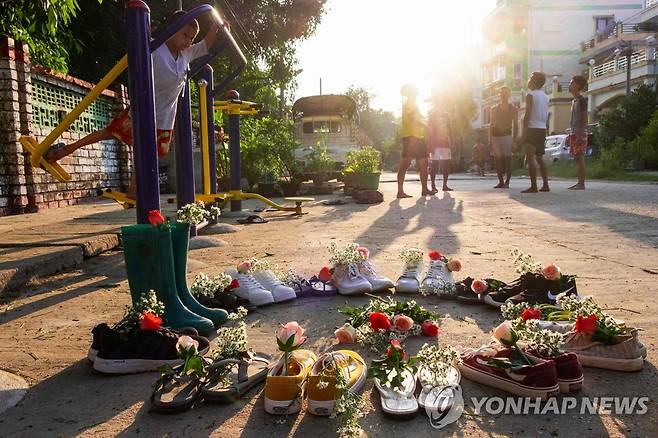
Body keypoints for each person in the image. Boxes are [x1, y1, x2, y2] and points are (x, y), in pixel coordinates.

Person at [45, 11, 220, 199]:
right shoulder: (154, 47)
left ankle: (133, 194)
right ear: (172, 30)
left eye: (191, 37)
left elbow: (204, 46)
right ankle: (64, 150)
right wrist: (144, 30)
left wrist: (217, 26)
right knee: (110, 134)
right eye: (185, 35)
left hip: (164, 118)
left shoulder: (186, 55)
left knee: (148, 155)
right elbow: (136, 47)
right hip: (144, 111)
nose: (188, 41)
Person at [397, 83, 432, 198]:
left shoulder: (412, 103)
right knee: (406, 163)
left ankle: (425, 189)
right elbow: (412, 119)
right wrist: (425, 126)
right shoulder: (409, 103)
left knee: (424, 162)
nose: (417, 89)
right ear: (410, 91)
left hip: (418, 137)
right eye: (414, 88)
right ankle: (400, 191)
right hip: (411, 137)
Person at [521, 71, 550, 193]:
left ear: (534, 81)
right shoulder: (545, 96)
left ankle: (533, 186)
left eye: (530, 78)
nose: (529, 80)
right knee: (539, 158)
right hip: (542, 128)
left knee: (530, 158)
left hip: (532, 128)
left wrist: (523, 131)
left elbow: (527, 114)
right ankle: (545, 185)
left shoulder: (530, 95)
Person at [489, 86, 518, 188]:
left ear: (509, 95)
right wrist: (490, 140)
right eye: (501, 93)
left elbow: (516, 125)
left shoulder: (513, 109)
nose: (503, 95)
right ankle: (500, 181)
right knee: (497, 160)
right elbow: (491, 125)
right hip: (495, 136)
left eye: (505, 93)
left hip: (507, 135)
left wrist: (514, 140)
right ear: (499, 95)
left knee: (508, 159)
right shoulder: (494, 109)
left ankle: (507, 182)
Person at [567, 75, 588, 190]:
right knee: (576, 158)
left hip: (580, 132)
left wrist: (580, 134)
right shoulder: (574, 100)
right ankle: (579, 182)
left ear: (578, 86)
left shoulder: (582, 100)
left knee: (579, 158)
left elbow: (585, 118)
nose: (570, 85)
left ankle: (581, 184)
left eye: (572, 83)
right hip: (574, 132)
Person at [427, 103, 453, 192]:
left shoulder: (447, 115)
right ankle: (433, 186)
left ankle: (445, 185)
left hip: (445, 142)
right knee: (434, 164)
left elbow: (450, 130)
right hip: (435, 142)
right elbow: (429, 130)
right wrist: (430, 144)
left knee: (446, 164)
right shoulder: (432, 115)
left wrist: (452, 142)